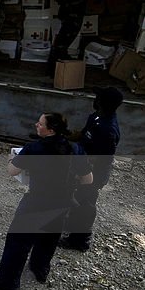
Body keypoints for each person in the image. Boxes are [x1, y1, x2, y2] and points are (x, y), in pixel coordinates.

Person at [0, 113, 93, 290]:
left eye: (40, 124)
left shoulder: (34, 148)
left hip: (37, 202)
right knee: (49, 238)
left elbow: (12, 171)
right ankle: (40, 269)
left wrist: (10, 159)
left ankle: (7, 286)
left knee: (17, 244)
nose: (36, 125)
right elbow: (88, 180)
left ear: (50, 129)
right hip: (62, 202)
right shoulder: (75, 149)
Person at [61, 87, 123, 251]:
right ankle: (72, 224)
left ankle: (80, 240)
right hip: (82, 166)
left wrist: (79, 168)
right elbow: (83, 135)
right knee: (75, 196)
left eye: (97, 98)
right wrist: (64, 136)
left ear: (103, 103)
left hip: (93, 173)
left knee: (85, 203)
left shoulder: (108, 129)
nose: (94, 100)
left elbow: (101, 158)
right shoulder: (95, 117)